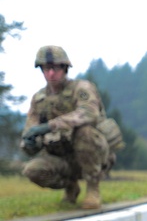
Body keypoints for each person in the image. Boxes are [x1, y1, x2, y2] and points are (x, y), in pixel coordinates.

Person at [20, 46, 110, 209]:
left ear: (65, 68)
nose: (51, 74)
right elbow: (30, 129)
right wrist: (30, 143)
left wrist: (49, 126)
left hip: (91, 154)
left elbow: (89, 112)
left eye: (55, 68)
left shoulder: (81, 89)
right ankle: (71, 186)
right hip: (60, 157)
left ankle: (93, 188)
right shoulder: (39, 99)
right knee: (32, 170)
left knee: (85, 133)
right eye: (47, 69)